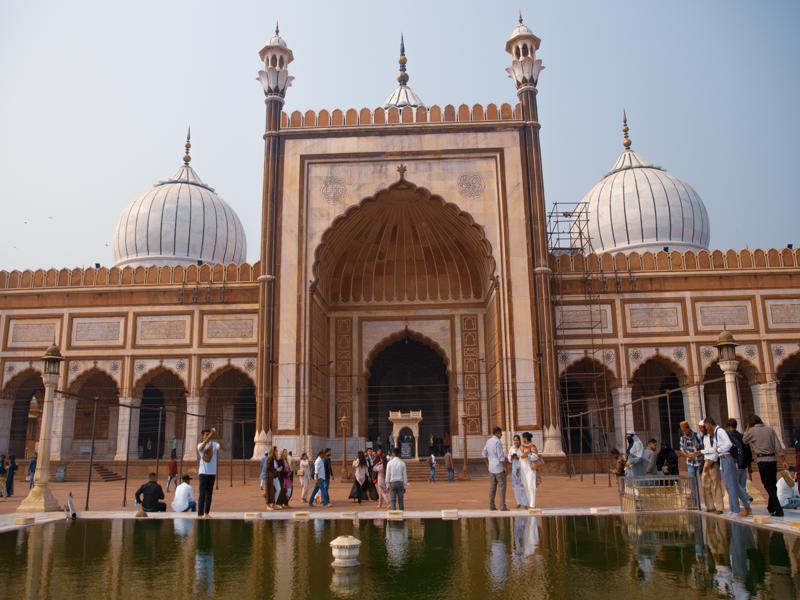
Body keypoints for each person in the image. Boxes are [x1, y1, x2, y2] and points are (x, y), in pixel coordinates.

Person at [743, 414, 786, 517]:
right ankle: (771, 507)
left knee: (767, 485)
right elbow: (778, 446)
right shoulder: (770, 429)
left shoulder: (752, 431)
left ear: (751, 423)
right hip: (772, 460)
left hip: (762, 461)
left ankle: (778, 509)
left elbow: (744, 440)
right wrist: (783, 460)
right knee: (772, 484)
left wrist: (748, 429)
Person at [725, 418, 753, 514]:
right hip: (744, 465)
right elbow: (748, 451)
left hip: (735, 464)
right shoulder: (742, 436)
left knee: (734, 485)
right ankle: (746, 506)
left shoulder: (728, 437)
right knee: (742, 486)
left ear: (728, 427)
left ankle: (745, 499)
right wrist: (749, 465)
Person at [699, 419, 724, 514]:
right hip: (706, 461)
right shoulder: (704, 437)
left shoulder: (713, 436)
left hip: (713, 462)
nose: (701, 429)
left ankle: (719, 507)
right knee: (705, 485)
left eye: (702, 427)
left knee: (716, 485)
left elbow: (715, 450)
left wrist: (712, 461)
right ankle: (710, 506)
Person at [196, 427, 221, 518]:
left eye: (208, 434)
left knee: (209, 494)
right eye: (206, 435)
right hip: (203, 473)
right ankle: (200, 514)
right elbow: (202, 448)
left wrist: (216, 436)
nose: (208, 436)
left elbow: (222, 447)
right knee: (202, 494)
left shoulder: (214, 444)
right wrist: (209, 436)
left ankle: (206, 513)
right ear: (203, 436)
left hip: (212, 472)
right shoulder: (200, 445)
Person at [483, 426, 508, 511]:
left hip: (491, 468)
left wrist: (487, 464)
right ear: (497, 433)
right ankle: (502, 506)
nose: (501, 435)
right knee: (502, 487)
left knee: (492, 488)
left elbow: (484, 454)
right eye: (500, 433)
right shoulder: (497, 442)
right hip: (499, 468)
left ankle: (491, 505)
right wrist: (505, 467)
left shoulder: (488, 441)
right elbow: (501, 457)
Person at [520, 432, 539, 508]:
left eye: (523, 438)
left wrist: (528, 455)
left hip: (530, 468)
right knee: (525, 486)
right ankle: (528, 502)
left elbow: (535, 457)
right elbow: (520, 456)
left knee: (531, 485)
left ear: (526, 438)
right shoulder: (521, 447)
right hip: (523, 468)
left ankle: (532, 504)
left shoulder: (532, 446)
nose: (523, 439)